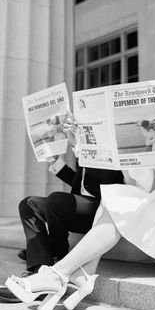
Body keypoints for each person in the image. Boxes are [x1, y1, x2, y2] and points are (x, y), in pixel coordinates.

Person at [6, 78, 155, 310]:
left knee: (115, 198)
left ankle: (62, 274)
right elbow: (141, 182)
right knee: (118, 195)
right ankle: (76, 275)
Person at [17, 112, 124, 274]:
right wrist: (56, 162)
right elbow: (81, 182)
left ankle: (58, 250)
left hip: (100, 210)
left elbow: (103, 182)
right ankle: (40, 263)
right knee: (28, 204)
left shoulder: (112, 147)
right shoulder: (84, 147)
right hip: (77, 206)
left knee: (56, 200)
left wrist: (78, 148)